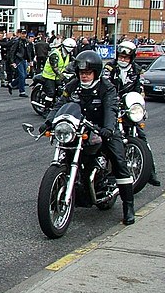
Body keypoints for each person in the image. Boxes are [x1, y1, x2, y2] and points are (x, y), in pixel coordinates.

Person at [44, 51, 135, 225]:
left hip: (102, 128)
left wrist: (108, 127)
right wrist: (49, 121)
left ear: (96, 72)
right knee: (66, 153)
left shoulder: (106, 88)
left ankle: (128, 206)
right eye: (81, 73)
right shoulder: (72, 86)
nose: (84, 76)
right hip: (79, 128)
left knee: (119, 161)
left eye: (87, 73)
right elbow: (60, 105)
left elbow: (111, 108)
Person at [104, 40, 160, 186]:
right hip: (111, 105)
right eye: (121, 57)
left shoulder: (137, 70)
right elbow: (104, 84)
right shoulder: (110, 67)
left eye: (126, 58)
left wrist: (140, 107)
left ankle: (150, 171)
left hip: (129, 106)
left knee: (142, 137)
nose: (123, 60)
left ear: (131, 58)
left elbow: (140, 90)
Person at [41, 37, 75, 110]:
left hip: (57, 76)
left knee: (64, 89)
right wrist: (63, 77)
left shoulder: (67, 54)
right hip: (49, 76)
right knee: (51, 93)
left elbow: (74, 62)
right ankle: (46, 109)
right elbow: (55, 68)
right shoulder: (55, 54)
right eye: (70, 47)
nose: (71, 49)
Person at [8, 29, 30, 97]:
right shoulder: (17, 42)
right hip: (18, 60)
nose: (24, 35)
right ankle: (22, 91)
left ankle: (12, 84)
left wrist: (30, 60)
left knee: (25, 75)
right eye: (22, 33)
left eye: (25, 33)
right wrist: (12, 62)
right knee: (22, 75)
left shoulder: (27, 42)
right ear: (20, 34)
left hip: (24, 60)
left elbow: (29, 51)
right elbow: (12, 52)